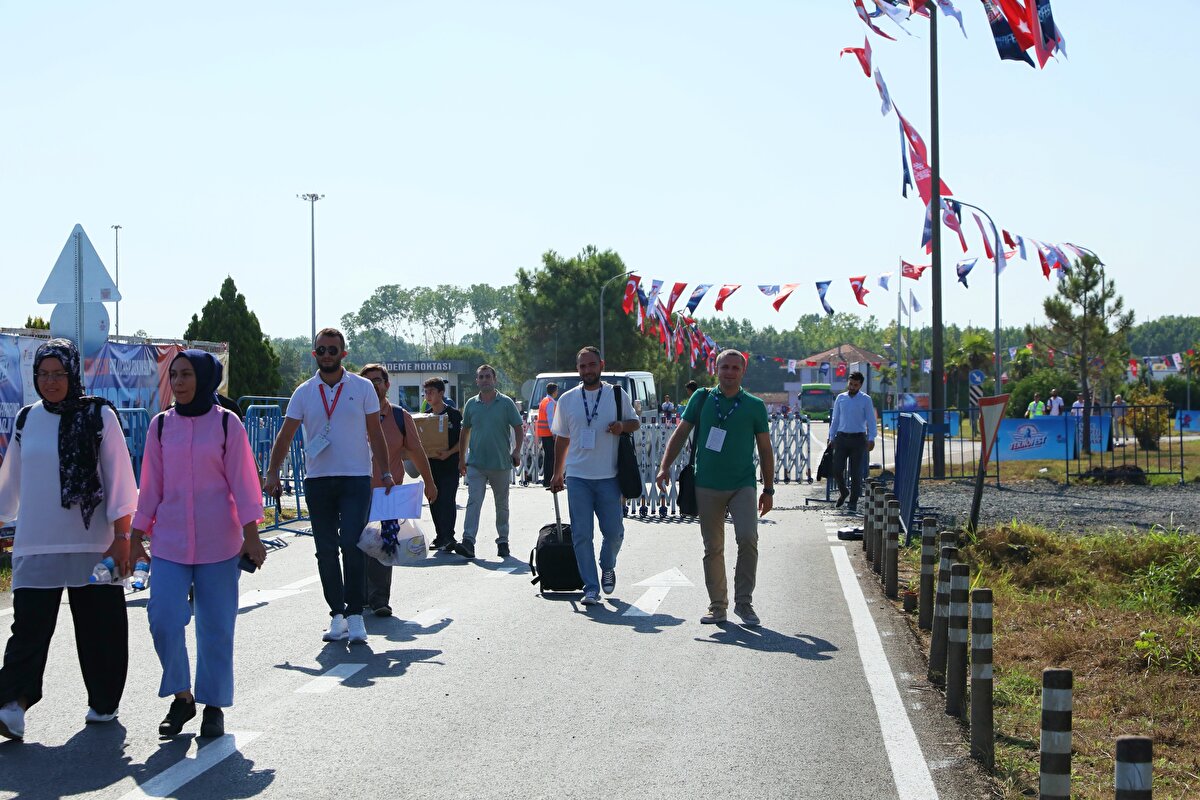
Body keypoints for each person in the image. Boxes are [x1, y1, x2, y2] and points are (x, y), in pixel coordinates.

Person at [0, 339, 138, 741]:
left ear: (73, 373)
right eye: (43, 374)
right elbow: (11, 483)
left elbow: (119, 478)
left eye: (58, 373)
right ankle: (12, 705)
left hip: (94, 543)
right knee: (28, 628)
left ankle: (104, 701)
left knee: (102, 628)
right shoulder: (27, 419)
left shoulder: (99, 415)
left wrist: (122, 537)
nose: (51, 381)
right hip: (36, 542)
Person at [130, 350, 266, 739]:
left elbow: (243, 483)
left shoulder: (227, 424)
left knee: (216, 627)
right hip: (169, 543)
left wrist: (251, 535)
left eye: (187, 374)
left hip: (219, 544)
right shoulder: (159, 427)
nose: (179, 382)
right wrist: (137, 538)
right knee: (163, 619)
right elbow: (151, 487)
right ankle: (182, 697)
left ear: (205, 379)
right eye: (174, 375)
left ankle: (213, 705)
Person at [264, 328, 393, 645]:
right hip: (318, 480)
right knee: (325, 550)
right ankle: (337, 615)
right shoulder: (304, 392)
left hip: (355, 478)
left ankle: (355, 615)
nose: (326, 355)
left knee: (351, 542)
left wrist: (386, 471)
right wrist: (272, 472)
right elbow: (286, 434)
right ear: (315, 354)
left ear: (343, 354)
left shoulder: (362, 387)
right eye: (321, 350)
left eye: (332, 350)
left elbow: (375, 433)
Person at [656, 350, 773, 626]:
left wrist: (768, 489)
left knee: (748, 538)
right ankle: (717, 606)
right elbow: (681, 432)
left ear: (742, 372)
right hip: (706, 484)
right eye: (724, 367)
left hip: (743, 484)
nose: (729, 372)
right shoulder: (702, 398)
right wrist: (664, 467)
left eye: (735, 368)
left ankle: (744, 603)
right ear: (716, 370)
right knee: (713, 547)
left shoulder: (754, 405)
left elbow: (765, 450)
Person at [549, 347, 639, 605]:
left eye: (591, 365)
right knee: (581, 534)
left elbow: (635, 422)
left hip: (609, 475)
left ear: (601, 365)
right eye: (582, 366)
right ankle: (591, 586)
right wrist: (558, 473)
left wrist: (622, 426)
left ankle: (607, 564)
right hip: (577, 477)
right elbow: (562, 438)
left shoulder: (617, 394)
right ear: (578, 369)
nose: (587, 370)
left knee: (614, 532)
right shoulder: (566, 399)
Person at [359, 365, 437, 617]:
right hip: (354, 492)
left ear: (387, 385)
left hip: (387, 493)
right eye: (368, 381)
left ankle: (379, 598)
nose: (374, 385)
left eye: (378, 381)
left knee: (383, 544)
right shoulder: (350, 414)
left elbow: (417, 452)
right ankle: (359, 597)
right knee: (353, 544)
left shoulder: (400, 417)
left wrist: (430, 483)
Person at [451, 365, 523, 560]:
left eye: (487, 376)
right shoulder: (471, 404)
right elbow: (464, 431)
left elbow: (518, 427)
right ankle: (468, 541)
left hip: (500, 463)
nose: (484, 380)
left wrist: (516, 451)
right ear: (477, 381)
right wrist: (461, 459)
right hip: (476, 463)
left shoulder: (506, 403)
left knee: (502, 504)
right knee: (473, 501)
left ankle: (503, 541)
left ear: (494, 379)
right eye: (481, 377)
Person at [422, 378, 463, 551]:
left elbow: (463, 440)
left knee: (447, 499)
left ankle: (449, 536)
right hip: (432, 467)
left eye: (432, 392)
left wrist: (450, 453)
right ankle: (440, 536)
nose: (428, 395)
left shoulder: (454, 414)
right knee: (434, 500)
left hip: (450, 465)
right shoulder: (426, 417)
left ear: (441, 393)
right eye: (426, 392)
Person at [828, 371, 877, 514]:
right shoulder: (840, 398)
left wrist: (871, 438)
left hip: (858, 439)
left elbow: (871, 420)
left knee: (856, 473)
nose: (852, 387)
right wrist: (831, 436)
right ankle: (844, 492)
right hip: (842, 438)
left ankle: (853, 503)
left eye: (855, 385)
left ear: (860, 385)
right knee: (837, 469)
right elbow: (835, 419)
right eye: (850, 384)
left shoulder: (866, 400)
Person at [536, 384, 559, 487]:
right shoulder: (550, 403)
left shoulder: (544, 401)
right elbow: (550, 419)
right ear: (555, 391)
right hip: (549, 434)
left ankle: (547, 480)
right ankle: (549, 480)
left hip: (544, 433)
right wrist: (553, 432)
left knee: (548, 457)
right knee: (551, 458)